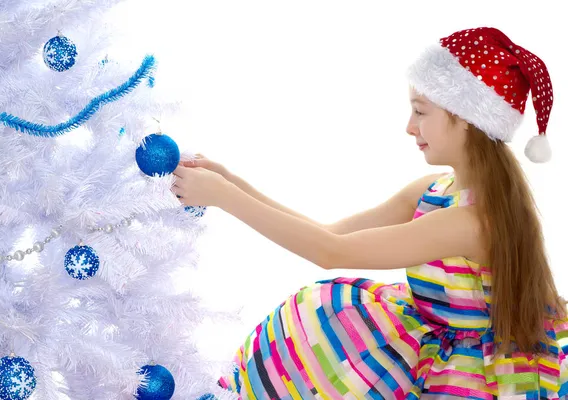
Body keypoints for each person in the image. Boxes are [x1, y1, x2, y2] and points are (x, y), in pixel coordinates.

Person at [173, 27, 568, 399]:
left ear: (466, 120)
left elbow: (331, 252)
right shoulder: (434, 191)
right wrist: (231, 182)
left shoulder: (470, 222)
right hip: (438, 340)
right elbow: (330, 232)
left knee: (331, 323)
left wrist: (225, 197)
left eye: (421, 111)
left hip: (472, 375)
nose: (409, 127)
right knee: (323, 319)